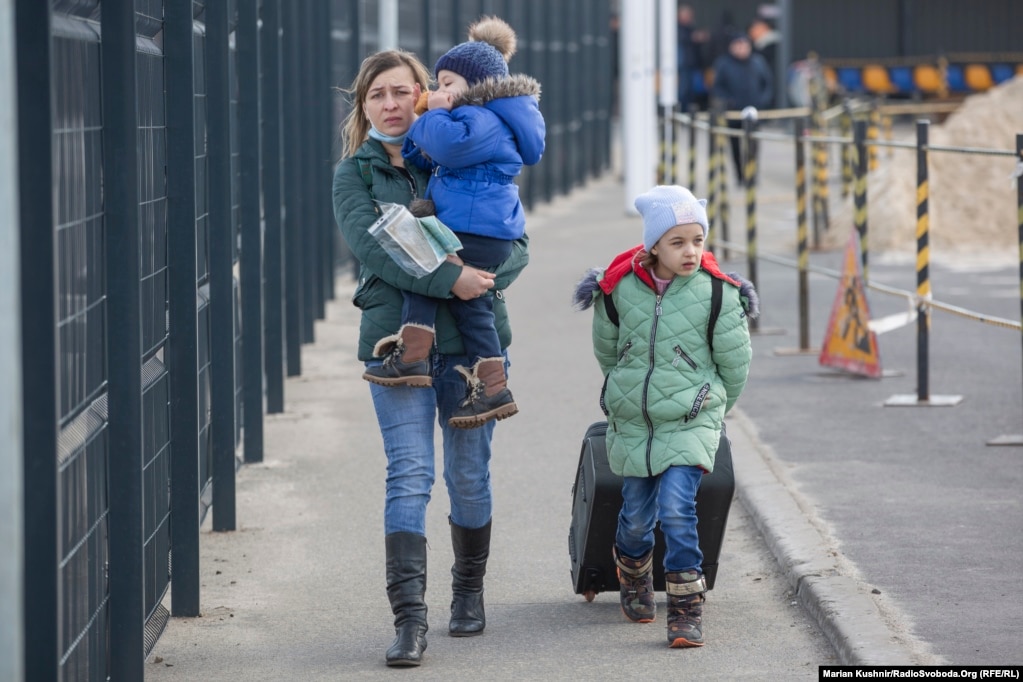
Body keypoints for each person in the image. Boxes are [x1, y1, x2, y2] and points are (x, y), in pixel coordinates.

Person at [332, 48, 530, 667]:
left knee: (469, 476)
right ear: (363, 108)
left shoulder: (464, 146)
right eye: (376, 96)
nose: (390, 105)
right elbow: (375, 251)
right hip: (398, 348)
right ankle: (409, 620)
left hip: (473, 352)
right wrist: (456, 281)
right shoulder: (357, 174)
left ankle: (468, 595)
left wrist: (484, 273)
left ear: (427, 93)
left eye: (401, 91)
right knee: (410, 476)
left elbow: (516, 243)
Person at [572, 185, 757, 648]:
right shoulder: (617, 292)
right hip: (635, 421)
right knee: (636, 516)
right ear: (653, 245)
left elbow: (734, 367)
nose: (691, 251)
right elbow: (609, 355)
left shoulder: (718, 294)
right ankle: (632, 568)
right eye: (677, 242)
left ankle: (684, 606)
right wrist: (626, 396)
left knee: (677, 509)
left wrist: (708, 409)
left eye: (698, 240)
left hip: (692, 420)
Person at [365, 16, 545, 431]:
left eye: (449, 83)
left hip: (473, 226)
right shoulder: (478, 117)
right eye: (440, 83)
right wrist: (429, 124)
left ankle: (412, 354)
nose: (441, 91)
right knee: (473, 309)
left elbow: (449, 144)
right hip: (480, 225)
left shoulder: (483, 118)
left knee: (423, 265)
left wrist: (431, 113)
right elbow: (424, 153)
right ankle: (492, 384)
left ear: (476, 86)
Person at [710, 32, 773, 185]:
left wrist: (762, 102)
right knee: (736, 147)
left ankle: (752, 175)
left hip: (754, 112)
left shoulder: (758, 62)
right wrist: (728, 102)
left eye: (744, 45)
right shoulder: (723, 64)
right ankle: (740, 176)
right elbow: (717, 87)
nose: (741, 49)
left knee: (753, 146)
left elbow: (768, 85)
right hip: (734, 114)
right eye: (737, 46)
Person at [676, 4, 708, 112]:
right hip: (683, 66)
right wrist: (694, 38)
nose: (689, 17)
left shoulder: (691, 28)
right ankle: (682, 112)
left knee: (694, 92)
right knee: (683, 92)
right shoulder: (676, 29)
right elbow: (684, 39)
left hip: (694, 66)